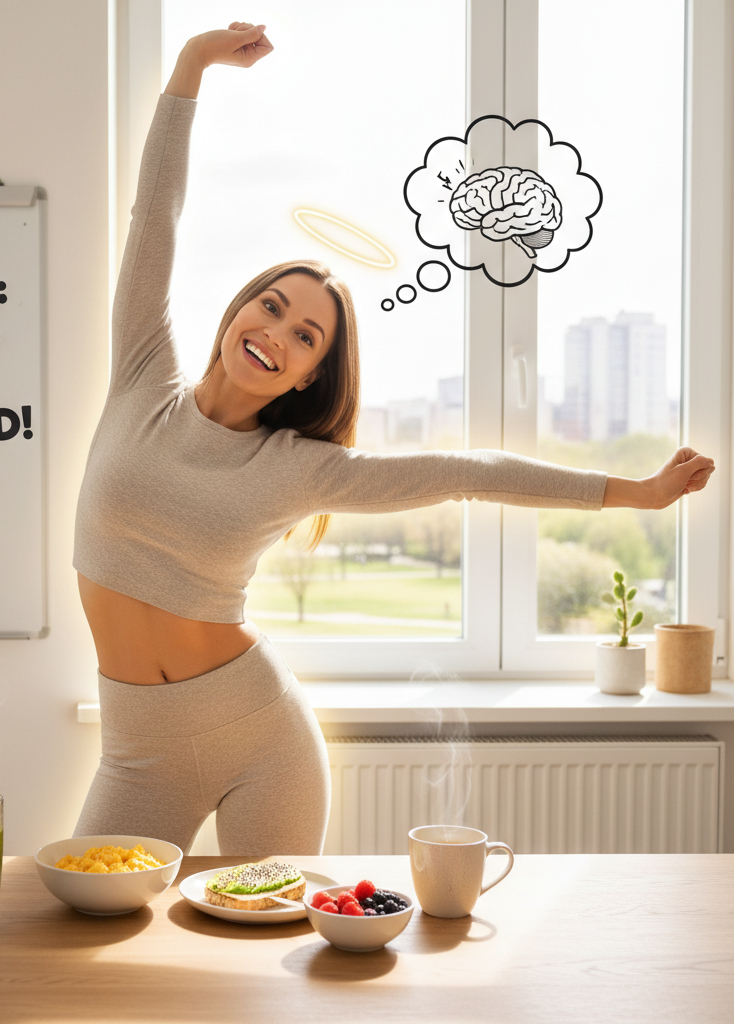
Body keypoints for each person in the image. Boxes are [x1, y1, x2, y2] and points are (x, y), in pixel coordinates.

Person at [72, 23, 714, 857]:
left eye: (307, 337)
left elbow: (467, 471)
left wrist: (638, 492)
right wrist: (192, 67)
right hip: (138, 749)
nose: (279, 334)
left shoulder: (301, 470)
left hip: (260, 737)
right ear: (237, 309)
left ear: (310, 376)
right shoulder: (140, 373)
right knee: (77, 930)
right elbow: (154, 211)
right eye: (272, 307)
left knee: (265, 969)